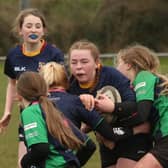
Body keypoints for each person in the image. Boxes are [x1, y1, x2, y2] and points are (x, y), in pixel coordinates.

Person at [68, 40, 152, 168]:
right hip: (106, 140)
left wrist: (111, 108)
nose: (78, 66)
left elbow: (133, 105)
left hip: (131, 138)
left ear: (97, 63)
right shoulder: (71, 87)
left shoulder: (111, 75)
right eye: (74, 62)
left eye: (84, 62)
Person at [0, 8, 64, 167]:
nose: (33, 29)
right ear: (20, 30)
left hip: (52, 117)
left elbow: (62, 87)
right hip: (27, 117)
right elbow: (12, 83)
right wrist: (7, 111)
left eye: (37, 26)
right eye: (28, 26)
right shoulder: (14, 55)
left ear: (44, 31)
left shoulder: (54, 54)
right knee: (23, 163)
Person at [17, 71, 97, 168]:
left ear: (19, 94)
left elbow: (40, 149)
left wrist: (23, 163)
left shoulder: (30, 112)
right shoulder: (52, 110)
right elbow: (88, 145)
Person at [115, 44, 168, 168]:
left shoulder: (143, 76)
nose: (116, 69)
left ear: (128, 64)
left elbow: (142, 114)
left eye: (118, 63)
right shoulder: (148, 81)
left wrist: (116, 128)